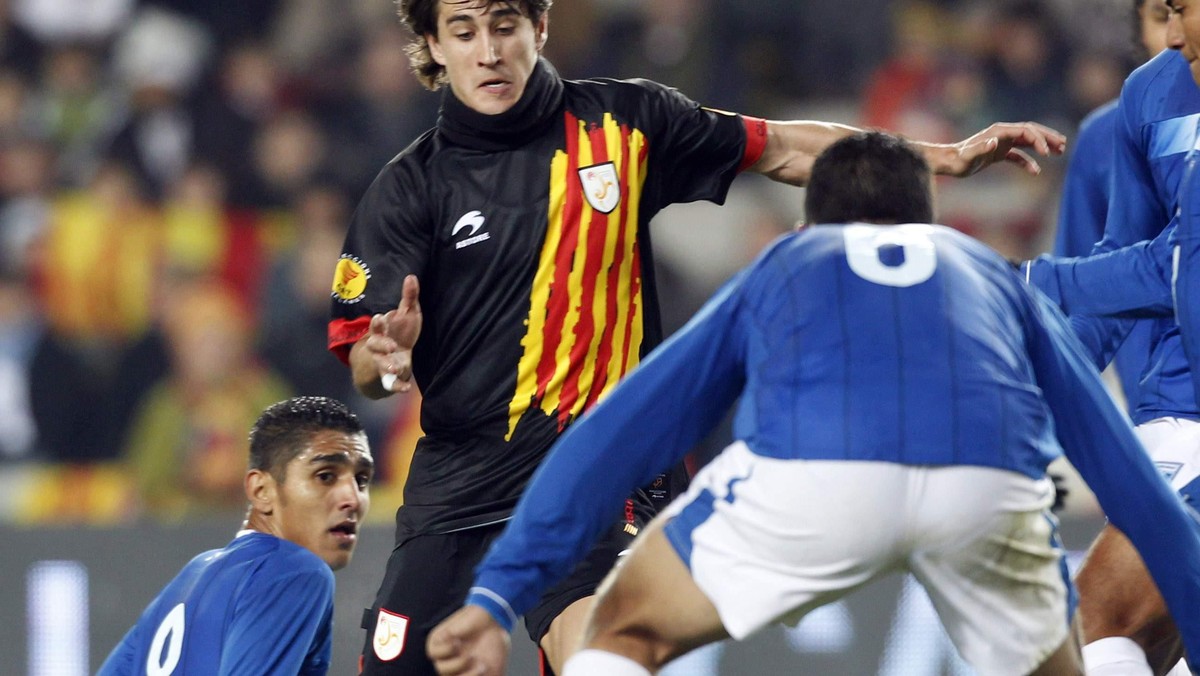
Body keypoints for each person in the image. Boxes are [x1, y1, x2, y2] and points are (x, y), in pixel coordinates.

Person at [327, 1, 1066, 674]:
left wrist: (938, 158)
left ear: (539, 28)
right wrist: (386, 360)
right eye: (463, 32)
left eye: (504, 26)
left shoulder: (627, 123)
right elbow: (366, 358)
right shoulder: (408, 187)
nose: (488, 51)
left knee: (600, 658)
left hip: (600, 472)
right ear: (433, 45)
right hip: (458, 489)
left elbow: (780, 147)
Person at [425, 131, 1200, 676]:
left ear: (812, 220)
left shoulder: (792, 261)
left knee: (620, 632)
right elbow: (1125, 473)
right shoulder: (985, 270)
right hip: (987, 488)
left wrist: (499, 595)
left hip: (812, 474)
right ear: (926, 221)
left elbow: (620, 433)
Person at [1017, 3, 1200, 672]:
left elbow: (1169, 260)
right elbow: (1123, 255)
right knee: (1099, 626)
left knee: (1099, 620)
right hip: (1172, 409)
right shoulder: (1146, 99)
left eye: (1183, 10)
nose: (1172, 35)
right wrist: (1047, 400)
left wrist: (1031, 280)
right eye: (1163, 13)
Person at [97, 396, 374, 674]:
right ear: (261, 490)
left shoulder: (192, 577)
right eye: (325, 476)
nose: (352, 498)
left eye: (361, 480)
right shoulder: (295, 571)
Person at [1051, 0, 1171, 412]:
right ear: (1138, 28)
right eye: (1161, 15)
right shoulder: (1106, 135)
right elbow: (1090, 282)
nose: (1177, 34)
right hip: (1155, 411)